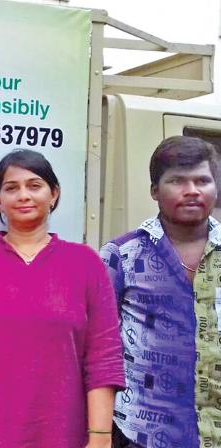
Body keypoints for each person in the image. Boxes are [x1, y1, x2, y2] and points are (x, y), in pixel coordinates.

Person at [0, 149, 124, 448]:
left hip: (62, 432)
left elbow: (103, 355)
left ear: (54, 194)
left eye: (34, 185)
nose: (23, 195)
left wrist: (100, 437)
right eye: (12, 188)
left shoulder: (85, 262)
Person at [101, 136, 221, 448]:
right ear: (155, 190)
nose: (192, 190)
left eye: (202, 180)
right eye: (177, 181)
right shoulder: (121, 255)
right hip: (141, 432)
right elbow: (100, 349)